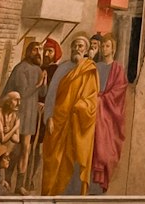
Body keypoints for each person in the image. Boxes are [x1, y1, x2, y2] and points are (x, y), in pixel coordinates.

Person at [42, 34, 100, 195]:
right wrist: (49, 117)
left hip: (77, 124)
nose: (76, 49)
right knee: (52, 163)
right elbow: (51, 94)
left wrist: (81, 106)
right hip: (58, 121)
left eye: (80, 46)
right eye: (74, 46)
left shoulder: (89, 69)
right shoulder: (62, 68)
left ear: (86, 50)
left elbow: (92, 100)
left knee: (73, 163)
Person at [2, 40, 48, 193]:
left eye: (40, 50)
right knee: (11, 149)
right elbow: (22, 93)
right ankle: (5, 180)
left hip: (30, 115)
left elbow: (42, 93)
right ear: (29, 52)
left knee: (25, 149)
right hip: (18, 114)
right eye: (35, 50)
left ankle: (19, 185)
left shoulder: (38, 69)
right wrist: (38, 84)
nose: (39, 53)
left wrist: (44, 83)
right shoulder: (21, 69)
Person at [92, 33, 127, 192]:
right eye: (102, 46)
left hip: (108, 113)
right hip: (94, 109)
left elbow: (119, 90)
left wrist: (102, 99)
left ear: (113, 49)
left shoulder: (118, 68)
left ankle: (101, 181)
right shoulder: (97, 66)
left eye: (107, 46)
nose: (104, 49)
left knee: (106, 147)